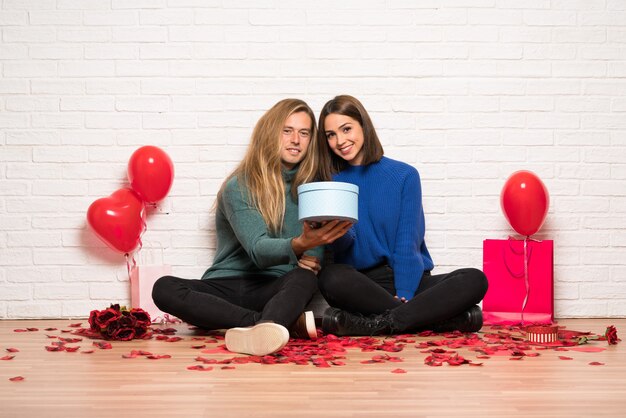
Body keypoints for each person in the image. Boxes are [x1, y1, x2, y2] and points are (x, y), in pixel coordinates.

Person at [152, 98, 352, 355]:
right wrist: (301, 245)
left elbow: (316, 249)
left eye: (304, 133)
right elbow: (258, 249)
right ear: (270, 133)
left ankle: (262, 324)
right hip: (224, 286)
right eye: (287, 130)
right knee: (163, 287)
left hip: (273, 288)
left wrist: (312, 255)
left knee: (303, 278)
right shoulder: (239, 185)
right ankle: (266, 324)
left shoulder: (312, 190)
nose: (296, 140)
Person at [314, 95, 488, 336]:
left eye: (346, 129)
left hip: (411, 280)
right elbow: (346, 249)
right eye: (330, 135)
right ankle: (437, 320)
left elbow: (408, 241)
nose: (340, 140)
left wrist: (405, 292)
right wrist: (332, 228)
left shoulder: (404, 175)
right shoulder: (330, 181)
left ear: (363, 125)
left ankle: (373, 324)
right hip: (365, 284)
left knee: (475, 279)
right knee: (331, 277)